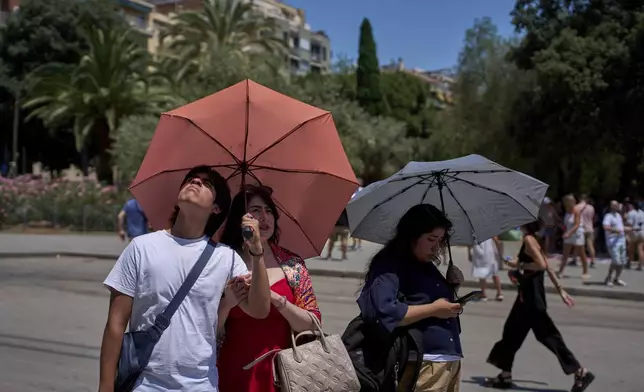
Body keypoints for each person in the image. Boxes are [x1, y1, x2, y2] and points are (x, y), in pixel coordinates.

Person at [98, 166, 272, 392]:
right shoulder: (141, 248)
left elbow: (260, 309)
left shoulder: (226, 258)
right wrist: (105, 386)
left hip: (201, 385)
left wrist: (256, 251)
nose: (196, 182)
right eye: (191, 179)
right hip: (144, 385)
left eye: (206, 184)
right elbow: (116, 322)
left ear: (217, 208)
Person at [217, 184, 321, 392]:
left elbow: (313, 323)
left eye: (269, 211)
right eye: (255, 211)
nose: (265, 217)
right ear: (240, 218)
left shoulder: (292, 264)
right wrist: (227, 303)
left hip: (283, 373)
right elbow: (207, 329)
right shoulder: (222, 261)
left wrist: (276, 299)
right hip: (232, 371)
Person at [358, 204, 463, 392]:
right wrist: (434, 309)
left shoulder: (426, 265)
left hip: (448, 358)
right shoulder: (390, 264)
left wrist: (452, 287)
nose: (436, 246)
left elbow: (425, 299)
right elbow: (383, 312)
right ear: (412, 235)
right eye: (431, 239)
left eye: (440, 240)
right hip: (422, 362)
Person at [485, 220, 595, 392]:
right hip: (526, 299)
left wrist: (520, 265)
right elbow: (541, 266)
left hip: (532, 300)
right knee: (512, 334)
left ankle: (580, 371)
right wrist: (561, 290)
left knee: (549, 337)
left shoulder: (529, 239)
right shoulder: (532, 239)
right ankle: (505, 375)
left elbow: (542, 265)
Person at [557, 194, 590, 280]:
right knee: (565, 254)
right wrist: (562, 227)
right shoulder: (567, 212)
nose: (565, 204)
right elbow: (567, 224)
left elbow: (577, 225)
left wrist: (568, 233)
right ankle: (560, 271)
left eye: (567, 202)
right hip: (568, 233)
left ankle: (585, 271)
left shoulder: (576, 211)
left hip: (577, 234)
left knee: (581, 253)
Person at [603, 200, 631, 286]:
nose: (615, 206)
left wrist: (628, 230)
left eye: (616, 205)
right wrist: (617, 230)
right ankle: (609, 277)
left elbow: (621, 227)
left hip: (621, 241)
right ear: (610, 206)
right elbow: (605, 227)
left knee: (622, 261)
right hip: (612, 242)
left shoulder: (618, 216)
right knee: (616, 261)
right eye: (613, 205)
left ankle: (617, 278)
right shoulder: (608, 216)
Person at [468, 236, 504, 301]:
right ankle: (499, 294)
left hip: (478, 252)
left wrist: (469, 253)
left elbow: (469, 241)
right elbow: (496, 240)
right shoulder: (488, 226)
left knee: (482, 274)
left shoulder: (472, 227)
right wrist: (500, 253)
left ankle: (484, 295)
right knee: (494, 273)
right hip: (489, 252)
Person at [625, 199, 644, 271]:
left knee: (631, 249)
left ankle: (629, 263)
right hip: (642, 231)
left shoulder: (631, 213)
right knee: (640, 249)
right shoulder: (642, 213)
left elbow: (629, 224)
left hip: (634, 232)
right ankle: (641, 265)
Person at [578, 194, 596, 268]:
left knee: (578, 245)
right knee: (590, 246)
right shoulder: (591, 208)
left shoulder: (579, 207)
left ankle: (575, 259)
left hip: (581, 228)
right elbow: (592, 217)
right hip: (590, 228)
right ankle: (592, 261)